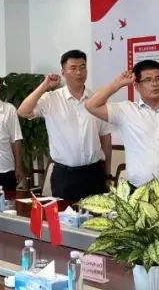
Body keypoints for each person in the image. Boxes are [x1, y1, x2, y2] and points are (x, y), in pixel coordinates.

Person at [85, 60, 159, 217]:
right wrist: (117, 83)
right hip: (138, 194)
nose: (155, 84)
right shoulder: (126, 111)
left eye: (158, 78)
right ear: (136, 86)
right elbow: (91, 105)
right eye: (148, 80)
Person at [18, 50, 112, 201]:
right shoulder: (51, 99)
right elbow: (23, 111)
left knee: (97, 215)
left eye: (82, 67)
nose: (79, 72)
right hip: (64, 175)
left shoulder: (97, 100)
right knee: (65, 214)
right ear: (63, 72)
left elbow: (106, 138)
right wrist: (44, 85)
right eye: (73, 68)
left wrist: (107, 173)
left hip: (94, 172)